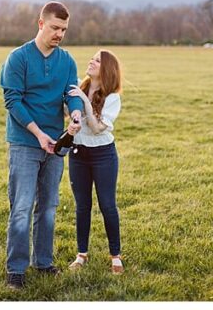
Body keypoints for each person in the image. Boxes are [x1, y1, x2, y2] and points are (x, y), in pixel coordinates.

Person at [0, 1, 84, 290]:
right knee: (22, 207)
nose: (59, 34)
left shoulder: (67, 61)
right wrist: (37, 133)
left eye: (64, 29)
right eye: (55, 28)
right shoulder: (18, 58)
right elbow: (13, 101)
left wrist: (75, 113)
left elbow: (71, 93)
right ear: (40, 24)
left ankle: (44, 262)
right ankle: (16, 269)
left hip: (56, 145)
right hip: (25, 142)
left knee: (48, 207)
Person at [66, 50, 124, 274]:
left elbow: (98, 127)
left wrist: (84, 102)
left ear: (107, 69)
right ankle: (81, 254)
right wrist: (72, 121)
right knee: (82, 206)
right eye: (92, 57)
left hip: (103, 155)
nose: (91, 61)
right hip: (78, 154)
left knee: (107, 205)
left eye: (97, 60)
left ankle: (115, 255)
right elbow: (68, 113)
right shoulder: (79, 88)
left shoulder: (112, 97)